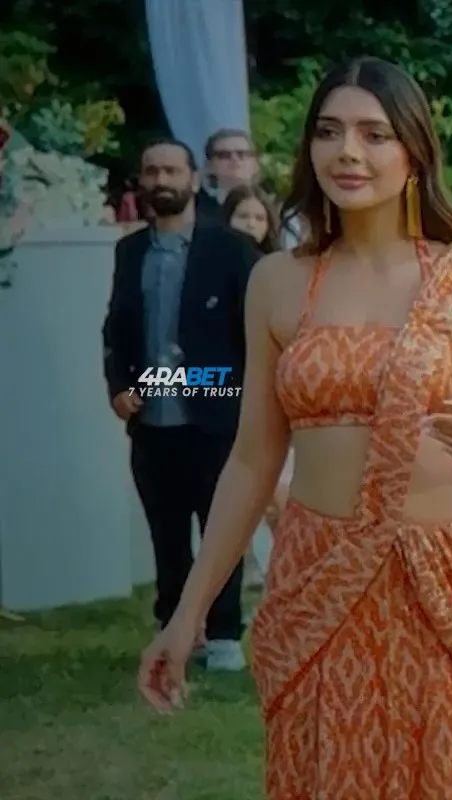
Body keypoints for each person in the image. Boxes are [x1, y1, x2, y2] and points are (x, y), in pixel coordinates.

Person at [135, 56, 452, 797]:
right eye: (329, 132)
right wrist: (187, 613)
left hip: (441, 587)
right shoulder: (276, 281)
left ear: (414, 152)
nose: (348, 152)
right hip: (318, 582)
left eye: (374, 134)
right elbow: (252, 460)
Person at [105, 138, 260, 672]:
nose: (161, 180)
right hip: (151, 425)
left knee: (221, 531)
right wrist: (120, 387)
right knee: (166, 536)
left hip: (213, 420)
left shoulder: (231, 249)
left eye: (171, 170)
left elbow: (254, 336)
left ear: (193, 180)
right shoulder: (129, 252)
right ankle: (175, 630)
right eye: (151, 171)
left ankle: (223, 634)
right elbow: (117, 328)